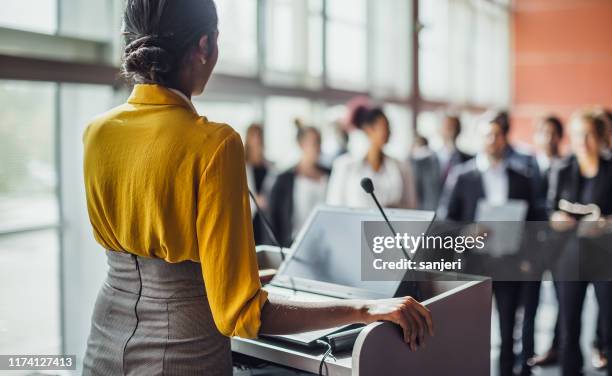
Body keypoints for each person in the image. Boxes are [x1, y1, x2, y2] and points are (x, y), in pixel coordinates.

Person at [81, 1, 433, 374]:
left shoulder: (97, 132)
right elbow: (241, 315)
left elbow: (154, 257)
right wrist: (364, 310)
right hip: (181, 352)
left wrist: (250, 275)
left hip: (105, 339)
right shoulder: (214, 143)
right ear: (206, 45)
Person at [442, 116, 536, 376]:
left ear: (505, 138)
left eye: (497, 134)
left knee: (509, 330)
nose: (492, 140)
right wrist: (466, 232)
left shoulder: (521, 178)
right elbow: (446, 221)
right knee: (473, 330)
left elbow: (532, 220)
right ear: (479, 138)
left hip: (509, 261)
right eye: (487, 135)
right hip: (474, 263)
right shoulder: (462, 176)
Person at [548, 109, 612, 376]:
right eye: (576, 135)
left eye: (588, 134)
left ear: (600, 137)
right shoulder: (562, 168)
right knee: (568, 326)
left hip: (606, 256)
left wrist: (606, 224)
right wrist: (556, 219)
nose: (582, 141)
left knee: (610, 325)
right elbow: (549, 210)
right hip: (569, 257)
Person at [525, 116, 565, 368]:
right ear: (536, 136)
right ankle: (527, 354)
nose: (548, 138)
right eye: (543, 132)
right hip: (532, 246)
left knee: (565, 301)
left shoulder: (568, 166)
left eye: (553, 133)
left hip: (561, 245)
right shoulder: (525, 167)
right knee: (530, 302)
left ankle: (556, 349)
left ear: (560, 137)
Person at [327, 105, 417, 209]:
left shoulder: (401, 167)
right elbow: (334, 205)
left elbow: (411, 205)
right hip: (356, 224)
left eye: (389, 127)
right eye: (384, 126)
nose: (389, 132)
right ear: (368, 129)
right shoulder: (344, 165)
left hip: (391, 224)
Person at [268, 121, 330, 248]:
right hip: (295, 245)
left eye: (319, 142)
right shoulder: (284, 179)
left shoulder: (330, 174)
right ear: (301, 145)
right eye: (314, 143)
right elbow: (273, 220)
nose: (318, 147)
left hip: (327, 242)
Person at [412, 115, 471, 211]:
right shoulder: (423, 163)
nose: (450, 131)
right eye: (446, 127)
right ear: (439, 130)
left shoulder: (468, 161)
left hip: (457, 221)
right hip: (430, 220)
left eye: (453, 127)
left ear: (458, 130)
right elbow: (417, 195)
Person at [244, 123, 276, 245]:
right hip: (251, 219)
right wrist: (255, 200)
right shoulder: (241, 166)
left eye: (259, 136)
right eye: (254, 136)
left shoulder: (271, 166)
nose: (257, 140)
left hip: (266, 219)